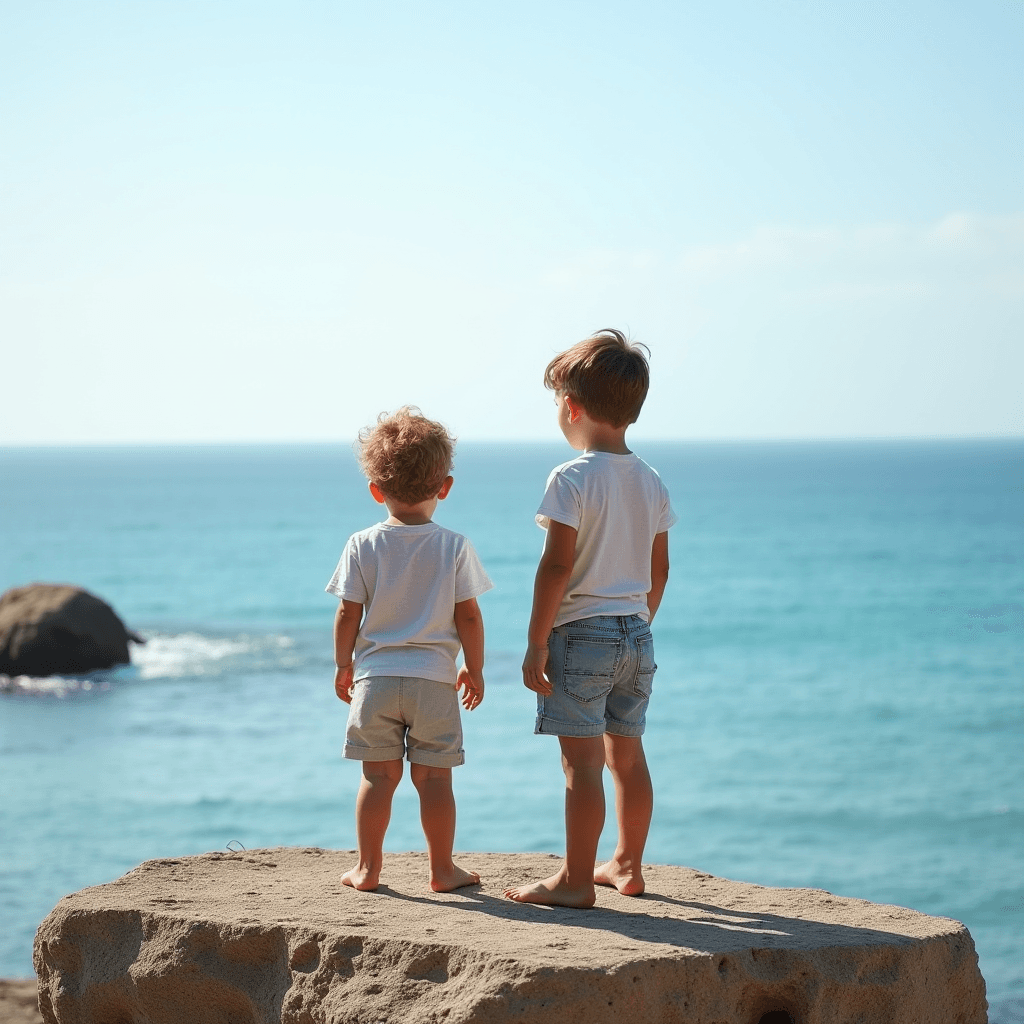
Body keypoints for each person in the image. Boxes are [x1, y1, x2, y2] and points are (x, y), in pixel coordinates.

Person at [504, 329, 676, 908]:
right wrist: (637, 619)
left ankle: (576, 881)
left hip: (582, 636)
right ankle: (627, 865)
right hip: (637, 633)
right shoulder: (650, 480)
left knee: (581, 764)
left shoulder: (571, 478)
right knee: (627, 754)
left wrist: (535, 642)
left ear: (571, 407)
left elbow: (556, 569)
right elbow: (660, 570)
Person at [327, 407, 492, 893]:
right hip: (435, 681)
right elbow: (468, 616)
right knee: (436, 781)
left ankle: (367, 869)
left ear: (376, 490)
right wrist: (473, 668)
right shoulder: (454, 546)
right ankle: (442, 870)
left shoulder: (361, 544)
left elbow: (346, 615)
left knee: (377, 778)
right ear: (445, 486)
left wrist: (343, 665)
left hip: (375, 680)